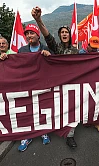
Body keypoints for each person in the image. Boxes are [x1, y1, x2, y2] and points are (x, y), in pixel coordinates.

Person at [32, 6, 78, 149]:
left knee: (74, 110)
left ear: (70, 35)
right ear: (59, 36)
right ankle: (56, 127)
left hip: (73, 84)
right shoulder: (56, 48)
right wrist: (38, 20)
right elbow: (47, 36)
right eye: (62, 32)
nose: (64, 34)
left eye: (66, 32)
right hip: (58, 85)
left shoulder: (76, 51)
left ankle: (70, 135)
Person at [17, 24, 52, 152]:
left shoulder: (46, 48)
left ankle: (43, 131)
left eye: (32, 33)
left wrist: (49, 57)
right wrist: (5, 58)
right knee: (27, 111)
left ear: (38, 35)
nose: (29, 36)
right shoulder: (21, 51)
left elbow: (55, 67)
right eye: (27, 34)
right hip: (26, 86)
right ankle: (27, 136)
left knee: (42, 109)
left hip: (42, 86)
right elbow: (15, 67)